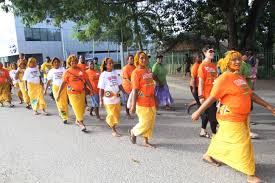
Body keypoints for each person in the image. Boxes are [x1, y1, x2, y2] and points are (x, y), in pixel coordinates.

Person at [192, 50, 275, 183]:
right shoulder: (224, 78)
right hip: (230, 117)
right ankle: (250, 173)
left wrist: (268, 106)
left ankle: (208, 155)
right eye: (233, 60)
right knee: (243, 143)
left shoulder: (239, 77)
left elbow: (251, 94)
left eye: (238, 59)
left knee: (222, 138)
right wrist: (198, 112)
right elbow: (212, 98)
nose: (237, 62)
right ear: (227, 63)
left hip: (242, 116)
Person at [56, 55, 93, 131]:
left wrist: (91, 88)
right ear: (69, 62)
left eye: (75, 61)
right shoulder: (67, 72)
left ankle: (77, 120)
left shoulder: (81, 70)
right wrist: (59, 94)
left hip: (81, 92)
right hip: (72, 93)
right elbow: (63, 83)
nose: (74, 63)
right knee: (76, 107)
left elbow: (87, 80)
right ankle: (81, 123)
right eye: (72, 61)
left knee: (82, 108)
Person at [128, 51, 157, 148]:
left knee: (151, 122)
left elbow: (152, 86)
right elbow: (135, 90)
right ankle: (133, 131)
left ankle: (146, 141)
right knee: (145, 122)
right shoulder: (135, 73)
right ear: (137, 59)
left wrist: (156, 101)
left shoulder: (148, 70)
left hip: (151, 101)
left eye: (145, 58)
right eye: (141, 58)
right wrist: (132, 106)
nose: (144, 59)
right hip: (142, 102)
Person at [98, 57, 126, 137]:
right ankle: (114, 131)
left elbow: (120, 85)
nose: (112, 64)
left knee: (116, 114)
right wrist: (100, 100)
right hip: (108, 98)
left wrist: (125, 92)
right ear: (106, 65)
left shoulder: (115, 73)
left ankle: (109, 121)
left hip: (117, 97)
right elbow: (101, 89)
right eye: (109, 63)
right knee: (112, 114)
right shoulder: (103, 75)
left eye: (112, 63)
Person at [197, 45, 218, 138]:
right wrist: (200, 96)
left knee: (206, 113)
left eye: (213, 51)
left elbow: (216, 79)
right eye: (210, 51)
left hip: (214, 94)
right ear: (204, 53)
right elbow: (200, 82)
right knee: (213, 115)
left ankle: (202, 131)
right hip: (206, 95)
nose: (212, 53)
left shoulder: (214, 65)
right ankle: (214, 134)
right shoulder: (202, 66)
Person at [45, 57, 68, 124]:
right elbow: (48, 81)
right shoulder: (51, 71)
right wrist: (45, 90)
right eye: (55, 62)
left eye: (57, 62)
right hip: (55, 88)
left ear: (59, 62)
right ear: (52, 63)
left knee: (64, 103)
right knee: (59, 102)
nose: (56, 63)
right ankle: (64, 117)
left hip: (63, 88)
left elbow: (67, 79)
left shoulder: (63, 69)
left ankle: (63, 113)